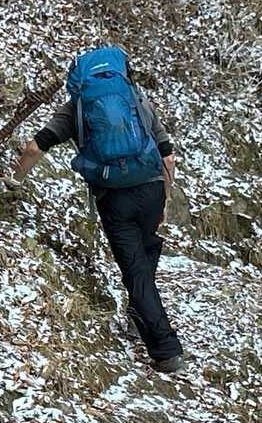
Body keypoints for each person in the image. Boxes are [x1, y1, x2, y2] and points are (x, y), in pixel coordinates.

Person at [14, 52, 186, 373]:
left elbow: (35, 147)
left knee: (135, 270)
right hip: (150, 188)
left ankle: (166, 349)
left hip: (114, 198)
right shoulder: (138, 101)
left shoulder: (76, 109)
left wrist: (15, 180)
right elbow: (168, 157)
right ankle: (140, 316)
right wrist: (165, 197)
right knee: (147, 250)